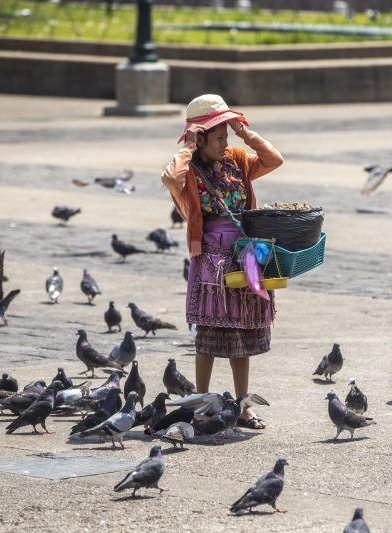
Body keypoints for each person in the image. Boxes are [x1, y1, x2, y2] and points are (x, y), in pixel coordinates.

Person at [161, 94, 283, 429]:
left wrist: (245, 133)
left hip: (245, 257)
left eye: (225, 135)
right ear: (201, 138)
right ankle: (201, 406)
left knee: (243, 332)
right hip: (211, 262)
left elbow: (274, 159)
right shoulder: (190, 172)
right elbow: (170, 179)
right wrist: (188, 144)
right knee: (210, 336)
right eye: (218, 136)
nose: (224, 142)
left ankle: (243, 406)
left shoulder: (239, 160)